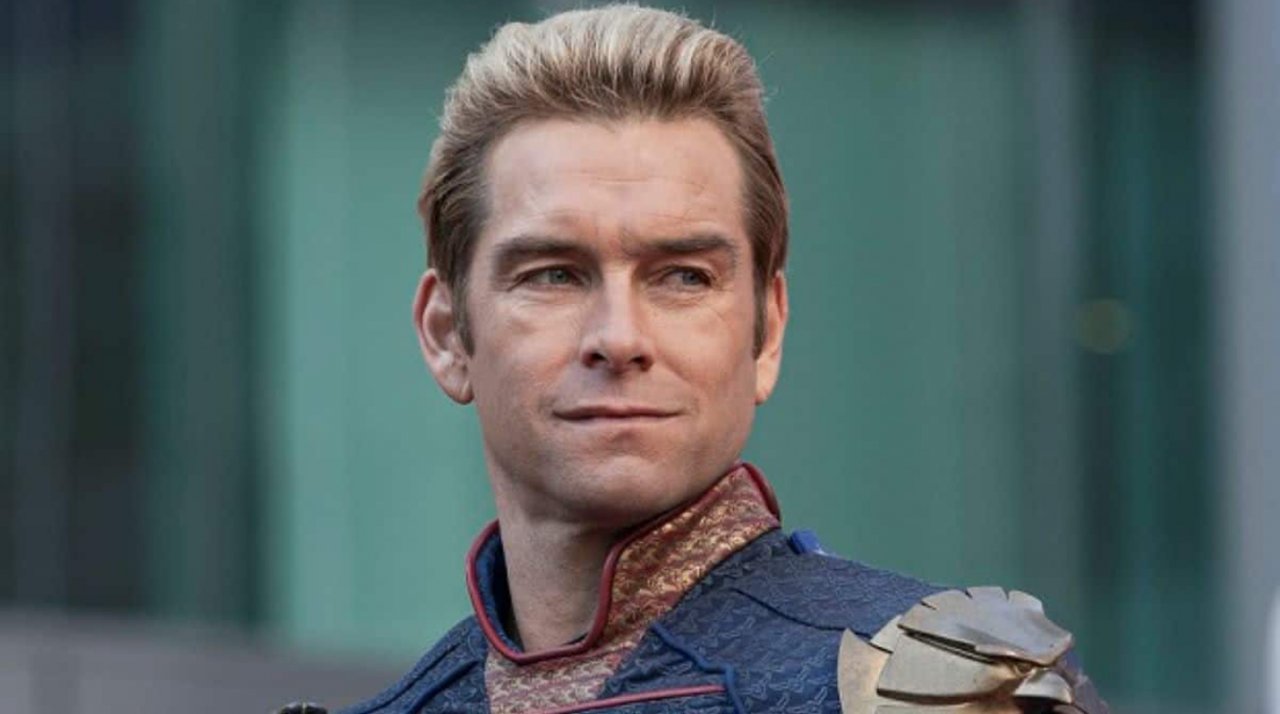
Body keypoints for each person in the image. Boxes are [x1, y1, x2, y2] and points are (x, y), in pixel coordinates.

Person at [280, 5, 1108, 714]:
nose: (620, 337)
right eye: (554, 274)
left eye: (683, 276)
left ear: (767, 330)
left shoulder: (942, 692)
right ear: (446, 335)